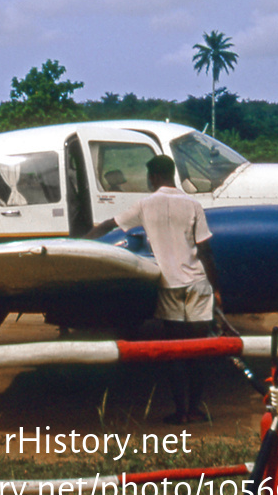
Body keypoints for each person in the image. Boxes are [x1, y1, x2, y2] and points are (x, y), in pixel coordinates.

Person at [86, 154, 219, 424]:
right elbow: (205, 249)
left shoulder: (145, 205)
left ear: (155, 177)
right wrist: (216, 290)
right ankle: (194, 409)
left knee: (175, 353)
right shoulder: (193, 204)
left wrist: (76, 243)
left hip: (169, 285)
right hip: (198, 284)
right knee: (198, 352)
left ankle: (181, 413)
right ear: (171, 174)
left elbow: (107, 225)